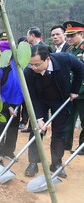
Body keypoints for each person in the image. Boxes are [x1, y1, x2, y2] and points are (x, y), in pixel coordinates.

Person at [23, 45, 84, 178]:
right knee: (36, 131)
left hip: (61, 100)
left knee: (59, 132)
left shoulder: (65, 59)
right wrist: (39, 118)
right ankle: (33, 163)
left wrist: (74, 90)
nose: (34, 68)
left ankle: (56, 163)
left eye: (37, 65)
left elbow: (80, 69)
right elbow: (32, 97)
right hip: (41, 100)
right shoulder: (28, 72)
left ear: (47, 59)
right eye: (31, 64)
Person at [0, 41, 24, 160]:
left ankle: (9, 151)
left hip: (16, 102)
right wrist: (7, 106)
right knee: (1, 127)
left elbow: (20, 83)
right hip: (1, 103)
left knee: (13, 127)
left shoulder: (15, 64)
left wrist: (19, 102)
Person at [63, 20, 84, 154]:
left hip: (83, 92)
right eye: (68, 36)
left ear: (81, 34)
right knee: (68, 119)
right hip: (71, 92)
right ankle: (65, 144)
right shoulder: (70, 50)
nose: (69, 38)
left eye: (72, 35)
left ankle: (82, 147)